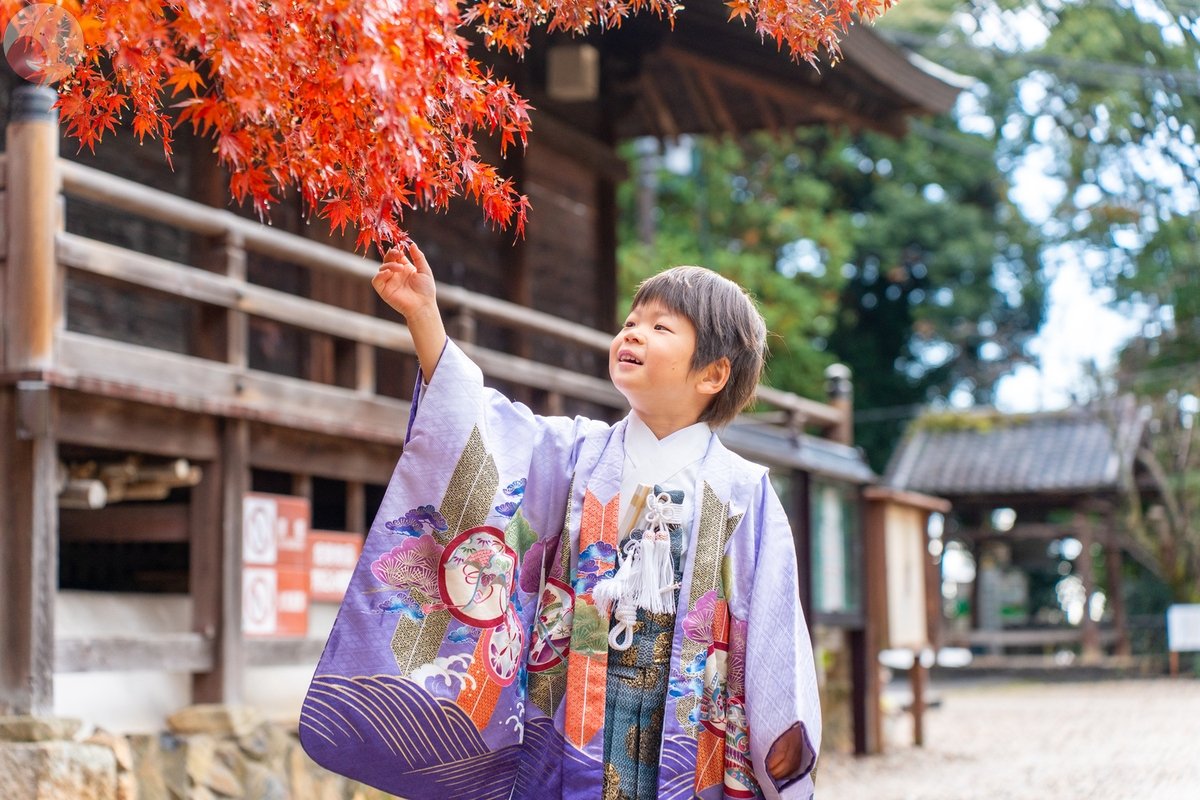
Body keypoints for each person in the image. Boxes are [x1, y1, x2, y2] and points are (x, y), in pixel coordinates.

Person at [300, 241, 822, 800]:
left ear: (713, 374)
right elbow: (481, 430)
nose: (633, 334)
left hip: (685, 748)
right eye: (630, 322)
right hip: (564, 733)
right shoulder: (573, 453)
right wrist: (424, 318)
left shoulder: (745, 493)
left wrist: (784, 765)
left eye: (661, 328)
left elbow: (772, 638)